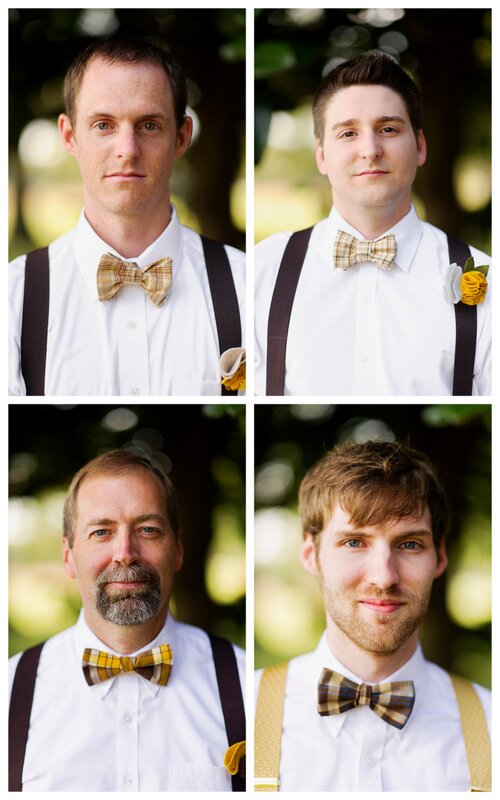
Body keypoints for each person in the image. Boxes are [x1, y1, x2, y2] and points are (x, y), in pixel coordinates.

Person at [9, 36, 245, 396]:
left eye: (149, 125)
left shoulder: (248, 287)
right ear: (70, 136)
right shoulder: (12, 299)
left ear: (181, 137)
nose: (127, 150)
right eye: (103, 125)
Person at [254, 440, 491, 791]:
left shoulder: (491, 724)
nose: (384, 577)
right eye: (355, 542)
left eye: (409, 544)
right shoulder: (241, 708)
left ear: (439, 558)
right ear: (310, 554)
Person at [254, 53, 491, 396]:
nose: (370, 149)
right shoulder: (262, 271)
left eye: (388, 129)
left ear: (420, 146)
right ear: (322, 156)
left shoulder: (488, 281)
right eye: (348, 133)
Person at [9, 450, 245, 791]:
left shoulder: (244, 683)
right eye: (102, 532)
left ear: (177, 550)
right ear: (68, 556)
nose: (125, 552)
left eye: (148, 529)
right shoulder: (9, 691)